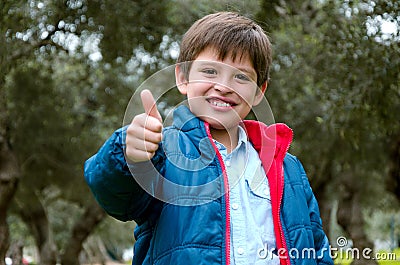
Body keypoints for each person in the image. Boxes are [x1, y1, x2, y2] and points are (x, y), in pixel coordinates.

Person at [84, 12, 333, 265]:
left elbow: (315, 247)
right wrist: (129, 154)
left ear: (260, 92)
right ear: (182, 78)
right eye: (210, 71)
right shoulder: (162, 153)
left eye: (241, 77)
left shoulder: (288, 168)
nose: (224, 86)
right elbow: (116, 198)